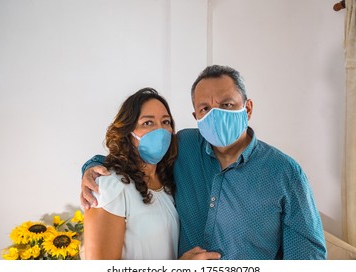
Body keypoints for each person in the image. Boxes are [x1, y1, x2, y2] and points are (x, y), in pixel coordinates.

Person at [81, 65, 327, 260]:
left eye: (227, 105)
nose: (215, 114)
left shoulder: (284, 172)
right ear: (195, 116)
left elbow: (308, 257)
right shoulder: (184, 146)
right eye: (205, 108)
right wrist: (92, 167)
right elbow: (134, 158)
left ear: (248, 108)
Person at [83, 87, 180, 260]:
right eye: (148, 123)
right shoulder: (109, 187)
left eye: (166, 122)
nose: (160, 130)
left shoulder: (168, 184)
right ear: (127, 132)